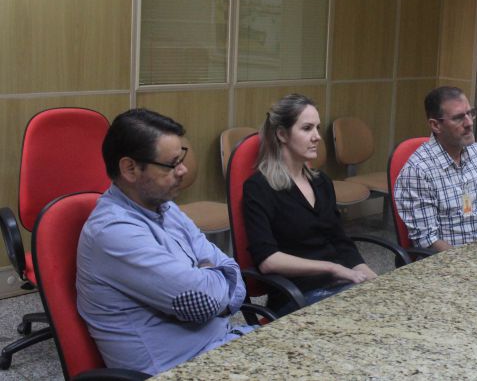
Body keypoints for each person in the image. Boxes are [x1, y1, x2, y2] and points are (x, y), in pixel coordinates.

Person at [77, 109, 253, 376]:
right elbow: (204, 301)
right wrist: (211, 275)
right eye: (172, 164)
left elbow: (233, 274)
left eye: (182, 158)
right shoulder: (113, 232)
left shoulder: (165, 207)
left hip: (223, 348)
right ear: (130, 169)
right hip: (181, 369)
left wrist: (209, 276)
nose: (183, 170)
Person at [242, 94, 377, 314]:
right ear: (282, 134)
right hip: (295, 296)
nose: (317, 137)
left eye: (317, 128)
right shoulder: (259, 187)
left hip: (338, 284)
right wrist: (333, 268)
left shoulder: (321, 181)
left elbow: (340, 241)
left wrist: (368, 274)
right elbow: (268, 260)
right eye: (307, 128)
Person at [394, 86, 477, 252]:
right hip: (448, 261)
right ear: (436, 125)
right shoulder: (418, 171)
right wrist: (471, 263)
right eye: (458, 118)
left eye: (470, 113)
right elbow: (428, 240)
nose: (469, 123)